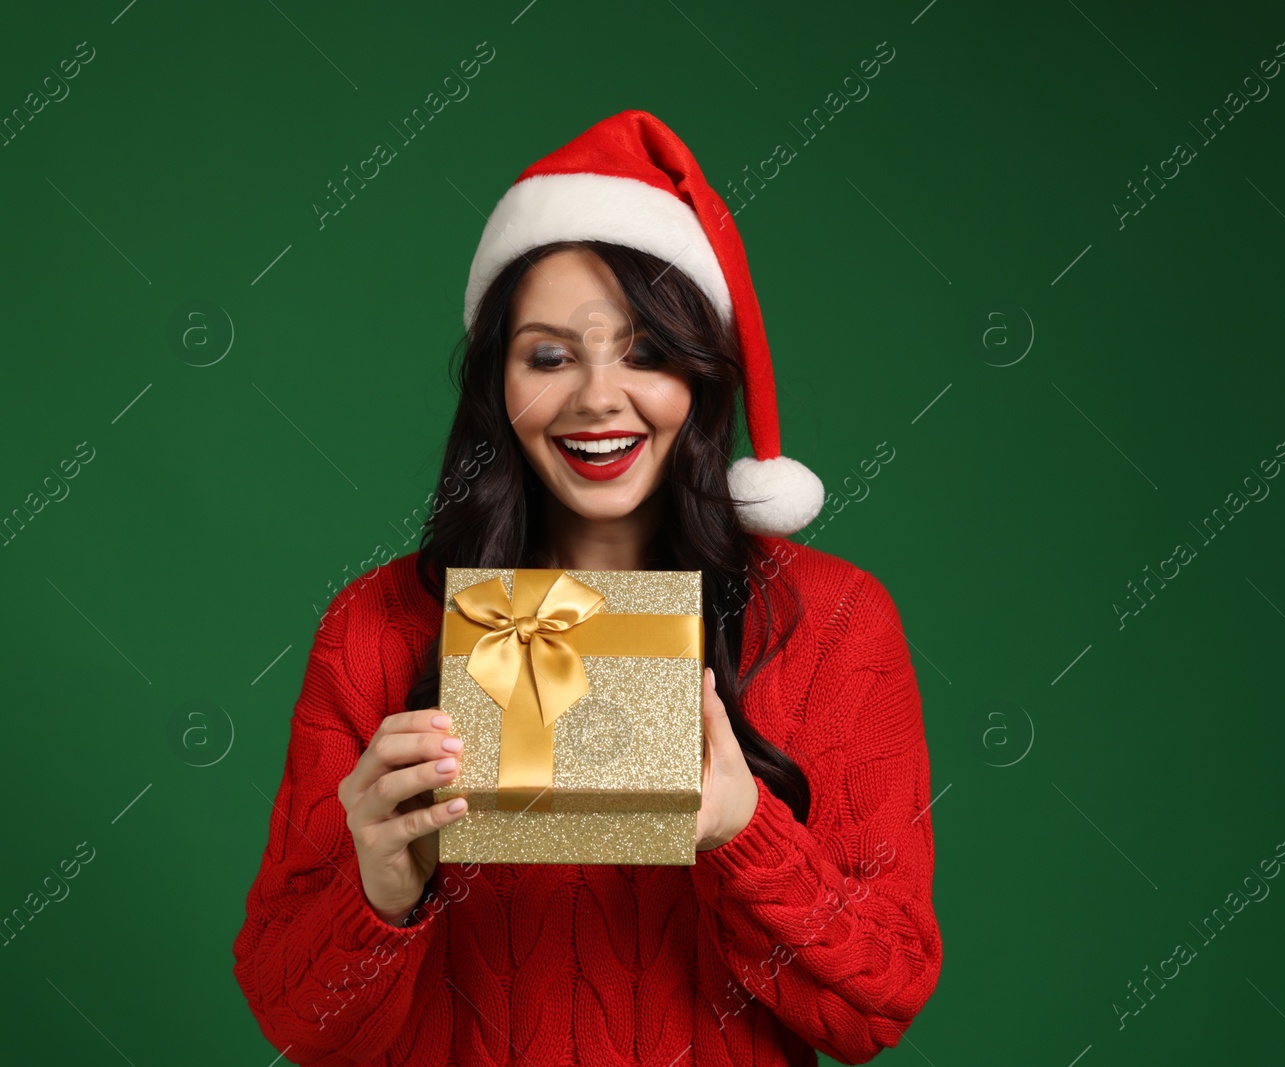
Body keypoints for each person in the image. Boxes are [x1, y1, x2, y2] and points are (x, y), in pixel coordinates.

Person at [231, 110, 942, 1066]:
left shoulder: (835, 622)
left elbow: (879, 1007)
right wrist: (378, 888)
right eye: (551, 355)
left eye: (646, 351)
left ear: (700, 373)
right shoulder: (376, 628)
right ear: (497, 382)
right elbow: (295, 1022)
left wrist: (743, 832)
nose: (599, 397)